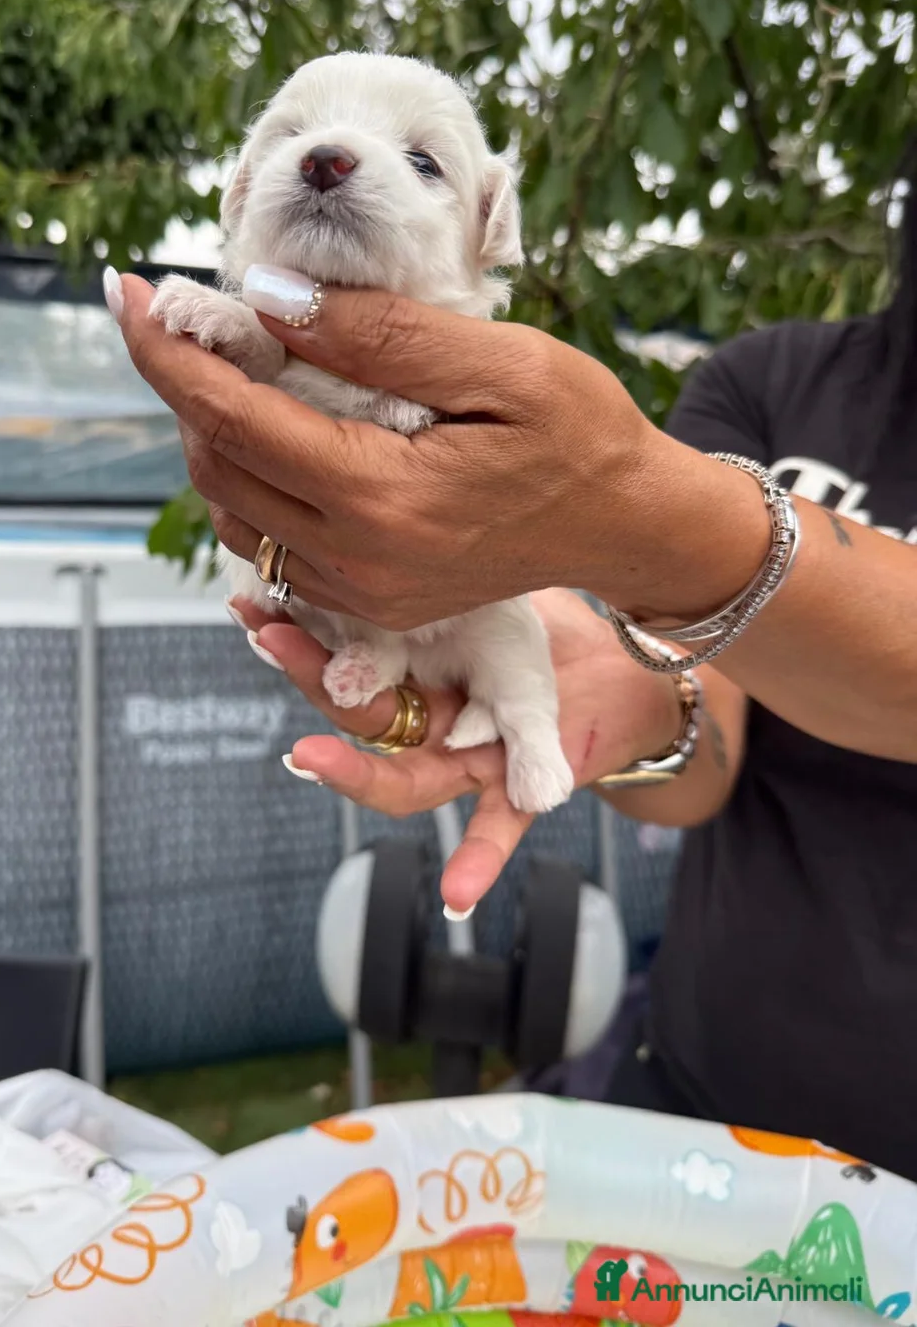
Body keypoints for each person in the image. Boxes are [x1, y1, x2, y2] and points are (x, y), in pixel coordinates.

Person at [105, 139, 917, 1175]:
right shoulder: (772, 383)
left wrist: (646, 516)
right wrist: (613, 703)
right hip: (718, 1097)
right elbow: (702, 732)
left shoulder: (675, 460)